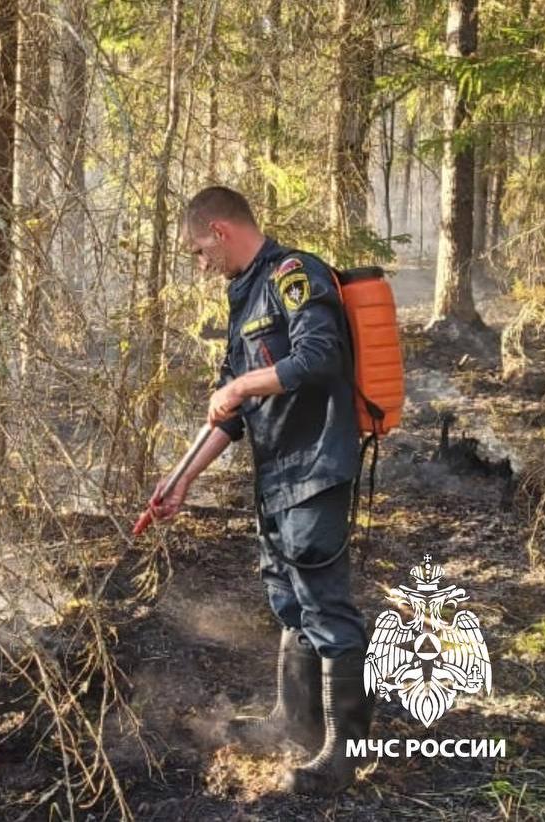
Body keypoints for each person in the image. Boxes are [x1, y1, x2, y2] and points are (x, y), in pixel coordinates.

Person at [146, 186, 374, 796]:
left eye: (198, 250)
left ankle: (344, 755)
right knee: (289, 599)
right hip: (276, 475)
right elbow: (231, 409)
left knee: (325, 604)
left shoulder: (294, 275)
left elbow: (321, 356)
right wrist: (180, 480)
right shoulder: (243, 295)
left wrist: (244, 385)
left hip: (317, 465)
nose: (200, 263)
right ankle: (293, 721)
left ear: (220, 231)